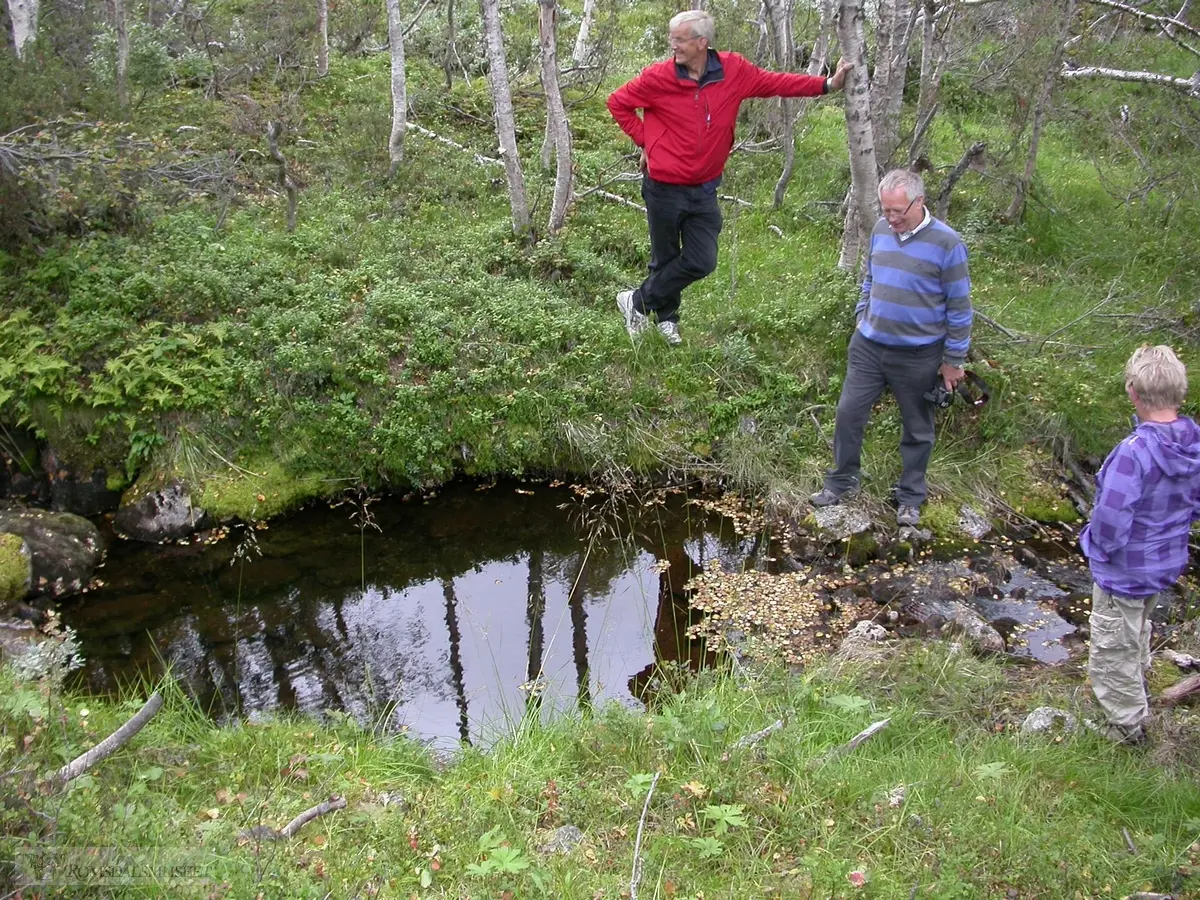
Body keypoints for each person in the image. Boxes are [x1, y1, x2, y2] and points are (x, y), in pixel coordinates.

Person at [606, 10, 851, 344]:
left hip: (705, 187)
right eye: (672, 38)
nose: (672, 45)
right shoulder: (658, 77)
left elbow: (775, 83)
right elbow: (618, 103)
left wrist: (826, 84)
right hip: (663, 186)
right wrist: (648, 142)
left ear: (702, 42)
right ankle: (666, 319)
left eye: (679, 39)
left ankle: (634, 301)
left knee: (701, 260)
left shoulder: (734, 70)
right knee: (664, 257)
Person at [810, 169, 972, 527]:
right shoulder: (881, 230)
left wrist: (953, 361)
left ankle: (910, 497)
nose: (892, 218)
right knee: (848, 414)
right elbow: (870, 277)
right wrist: (860, 315)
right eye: (886, 210)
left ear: (920, 202)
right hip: (868, 346)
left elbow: (960, 308)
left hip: (918, 354)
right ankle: (841, 482)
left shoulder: (948, 244)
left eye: (899, 211)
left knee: (917, 428)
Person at [1080, 345, 1200, 745]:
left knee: (1112, 647)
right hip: (1165, 562)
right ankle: (1140, 678)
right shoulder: (1193, 442)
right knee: (1138, 625)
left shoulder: (1133, 454)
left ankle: (1125, 730)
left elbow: (1111, 521)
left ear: (1133, 391)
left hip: (1125, 570)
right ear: (1179, 392)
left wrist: (1094, 548)